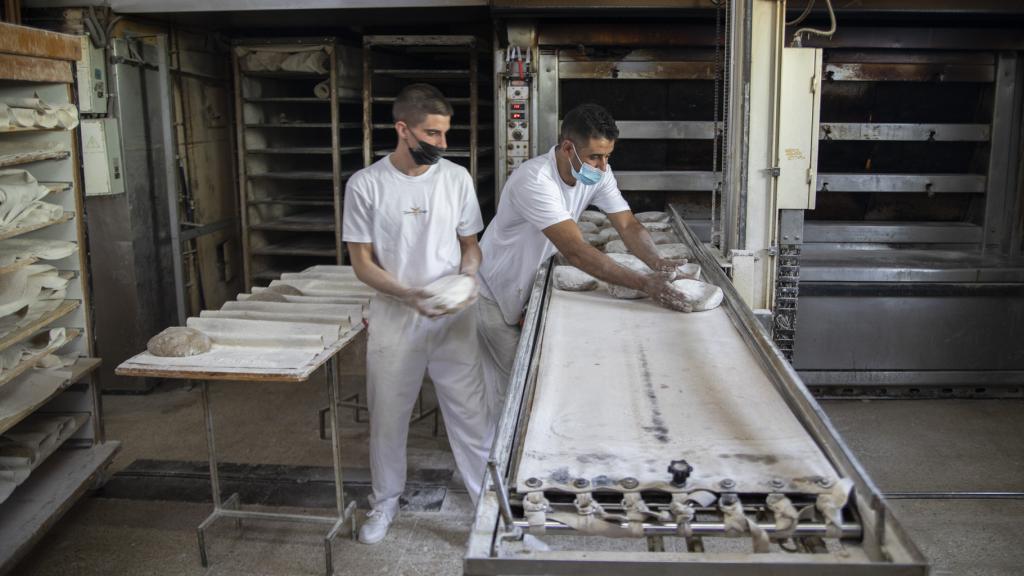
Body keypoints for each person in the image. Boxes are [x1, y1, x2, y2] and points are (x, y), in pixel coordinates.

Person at [476, 103, 690, 423]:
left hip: (524, 288)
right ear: (567, 147)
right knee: (514, 397)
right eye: (594, 157)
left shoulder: (597, 173)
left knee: (528, 390)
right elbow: (575, 250)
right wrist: (645, 284)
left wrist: (656, 262)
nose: (602, 167)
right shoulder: (535, 180)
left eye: (607, 157)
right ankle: (494, 466)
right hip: (493, 294)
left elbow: (628, 225)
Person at [343, 83, 490, 544]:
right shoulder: (366, 184)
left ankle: (489, 512)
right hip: (395, 316)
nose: (442, 144)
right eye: (432, 133)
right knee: (388, 416)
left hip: (453, 317)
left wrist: (467, 279)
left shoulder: (456, 179)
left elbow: (471, 247)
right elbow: (362, 262)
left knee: (471, 417)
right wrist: (409, 295)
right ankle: (384, 506)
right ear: (402, 129)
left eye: (445, 134)